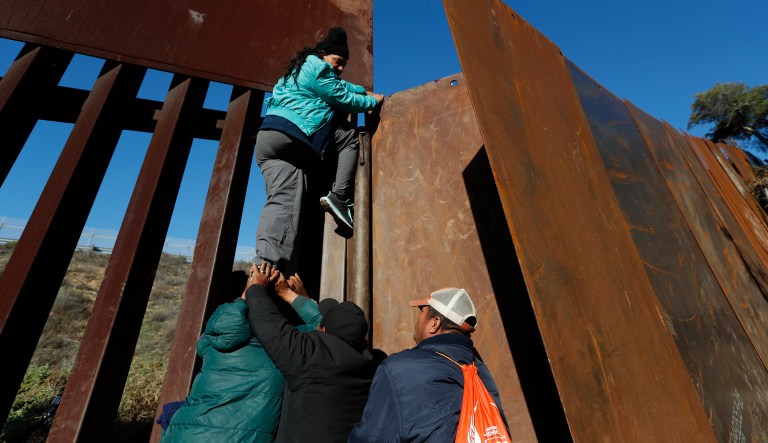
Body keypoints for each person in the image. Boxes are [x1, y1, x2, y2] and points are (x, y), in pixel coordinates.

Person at [254, 27, 384, 273]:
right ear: (325, 54)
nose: (340, 67)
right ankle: (339, 196)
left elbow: (341, 87)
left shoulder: (298, 70)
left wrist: (359, 90)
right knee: (347, 137)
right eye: (338, 61)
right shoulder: (317, 67)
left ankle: (266, 266)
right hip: (293, 132)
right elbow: (341, 97)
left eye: (344, 64)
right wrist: (371, 101)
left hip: (268, 140)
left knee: (281, 203)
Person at [160, 270, 322, 443]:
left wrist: (250, 290)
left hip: (182, 435)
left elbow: (232, 316)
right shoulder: (285, 345)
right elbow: (328, 330)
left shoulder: (212, 339)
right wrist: (294, 296)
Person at [348, 288, 510, 442]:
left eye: (422, 312)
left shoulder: (399, 368)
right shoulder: (479, 370)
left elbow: (373, 436)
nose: (417, 319)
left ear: (434, 323)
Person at [245, 262, 378, 443]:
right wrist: (294, 296)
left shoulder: (311, 356)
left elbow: (268, 324)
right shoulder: (372, 365)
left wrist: (256, 288)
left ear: (322, 328)